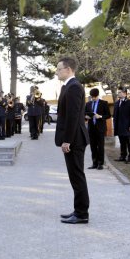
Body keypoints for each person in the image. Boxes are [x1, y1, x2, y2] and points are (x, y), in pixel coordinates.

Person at [55, 57, 90, 224]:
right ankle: (78, 210)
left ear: (68, 69)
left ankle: (82, 213)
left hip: (74, 140)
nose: (56, 72)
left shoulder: (74, 87)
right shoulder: (68, 86)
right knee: (75, 176)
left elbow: (73, 117)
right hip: (73, 139)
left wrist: (67, 140)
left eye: (59, 69)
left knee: (77, 176)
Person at [85, 88, 111, 170]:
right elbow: (84, 114)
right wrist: (86, 117)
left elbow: (108, 115)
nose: (93, 98)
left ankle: (100, 164)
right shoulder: (88, 104)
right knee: (92, 146)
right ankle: (94, 163)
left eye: (95, 97)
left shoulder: (104, 103)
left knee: (100, 146)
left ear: (98, 95)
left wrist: (100, 116)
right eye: (92, 97)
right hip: (91, 128)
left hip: (100, 128)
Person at [113, 87, 130, 164]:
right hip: (119, 127)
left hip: (128, 127)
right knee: (122, 142)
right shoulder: (117, 103)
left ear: (125, 93)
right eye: (118, 92)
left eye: (120, 92)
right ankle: (123, 156)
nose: (118, 93)